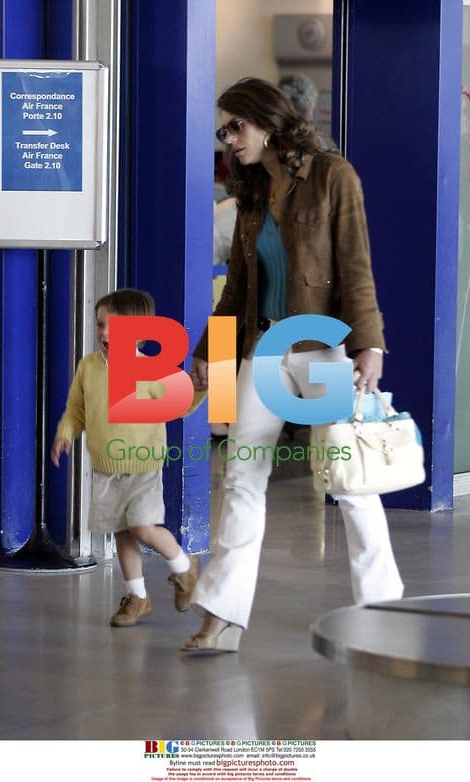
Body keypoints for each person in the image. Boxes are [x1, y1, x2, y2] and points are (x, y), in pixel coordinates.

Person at [183, 77, 404, 653]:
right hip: (265, 350)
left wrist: (369, 346)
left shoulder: (333, 176)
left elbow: (356, 266)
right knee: (241, 478)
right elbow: (236, 289)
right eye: (222, 131)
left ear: (270, 120)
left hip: (324, 347)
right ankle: (223, 617)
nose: (229, 140)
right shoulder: (251, 193)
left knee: (350, 483)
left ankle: (381, 611)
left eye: (237, 127)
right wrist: (209, 353)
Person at [51, 288, 200, 627]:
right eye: (101, 324)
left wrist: (200, 387)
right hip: (105, 469)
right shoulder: (88, 367)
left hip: (144, 466)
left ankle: (184, 568)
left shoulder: (154, 370)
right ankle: (137, 596)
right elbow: (77, 408)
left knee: (142, 527)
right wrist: (65, 433)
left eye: (114, 328)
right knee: (122, 532)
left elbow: (182, 403)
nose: (104, 333)